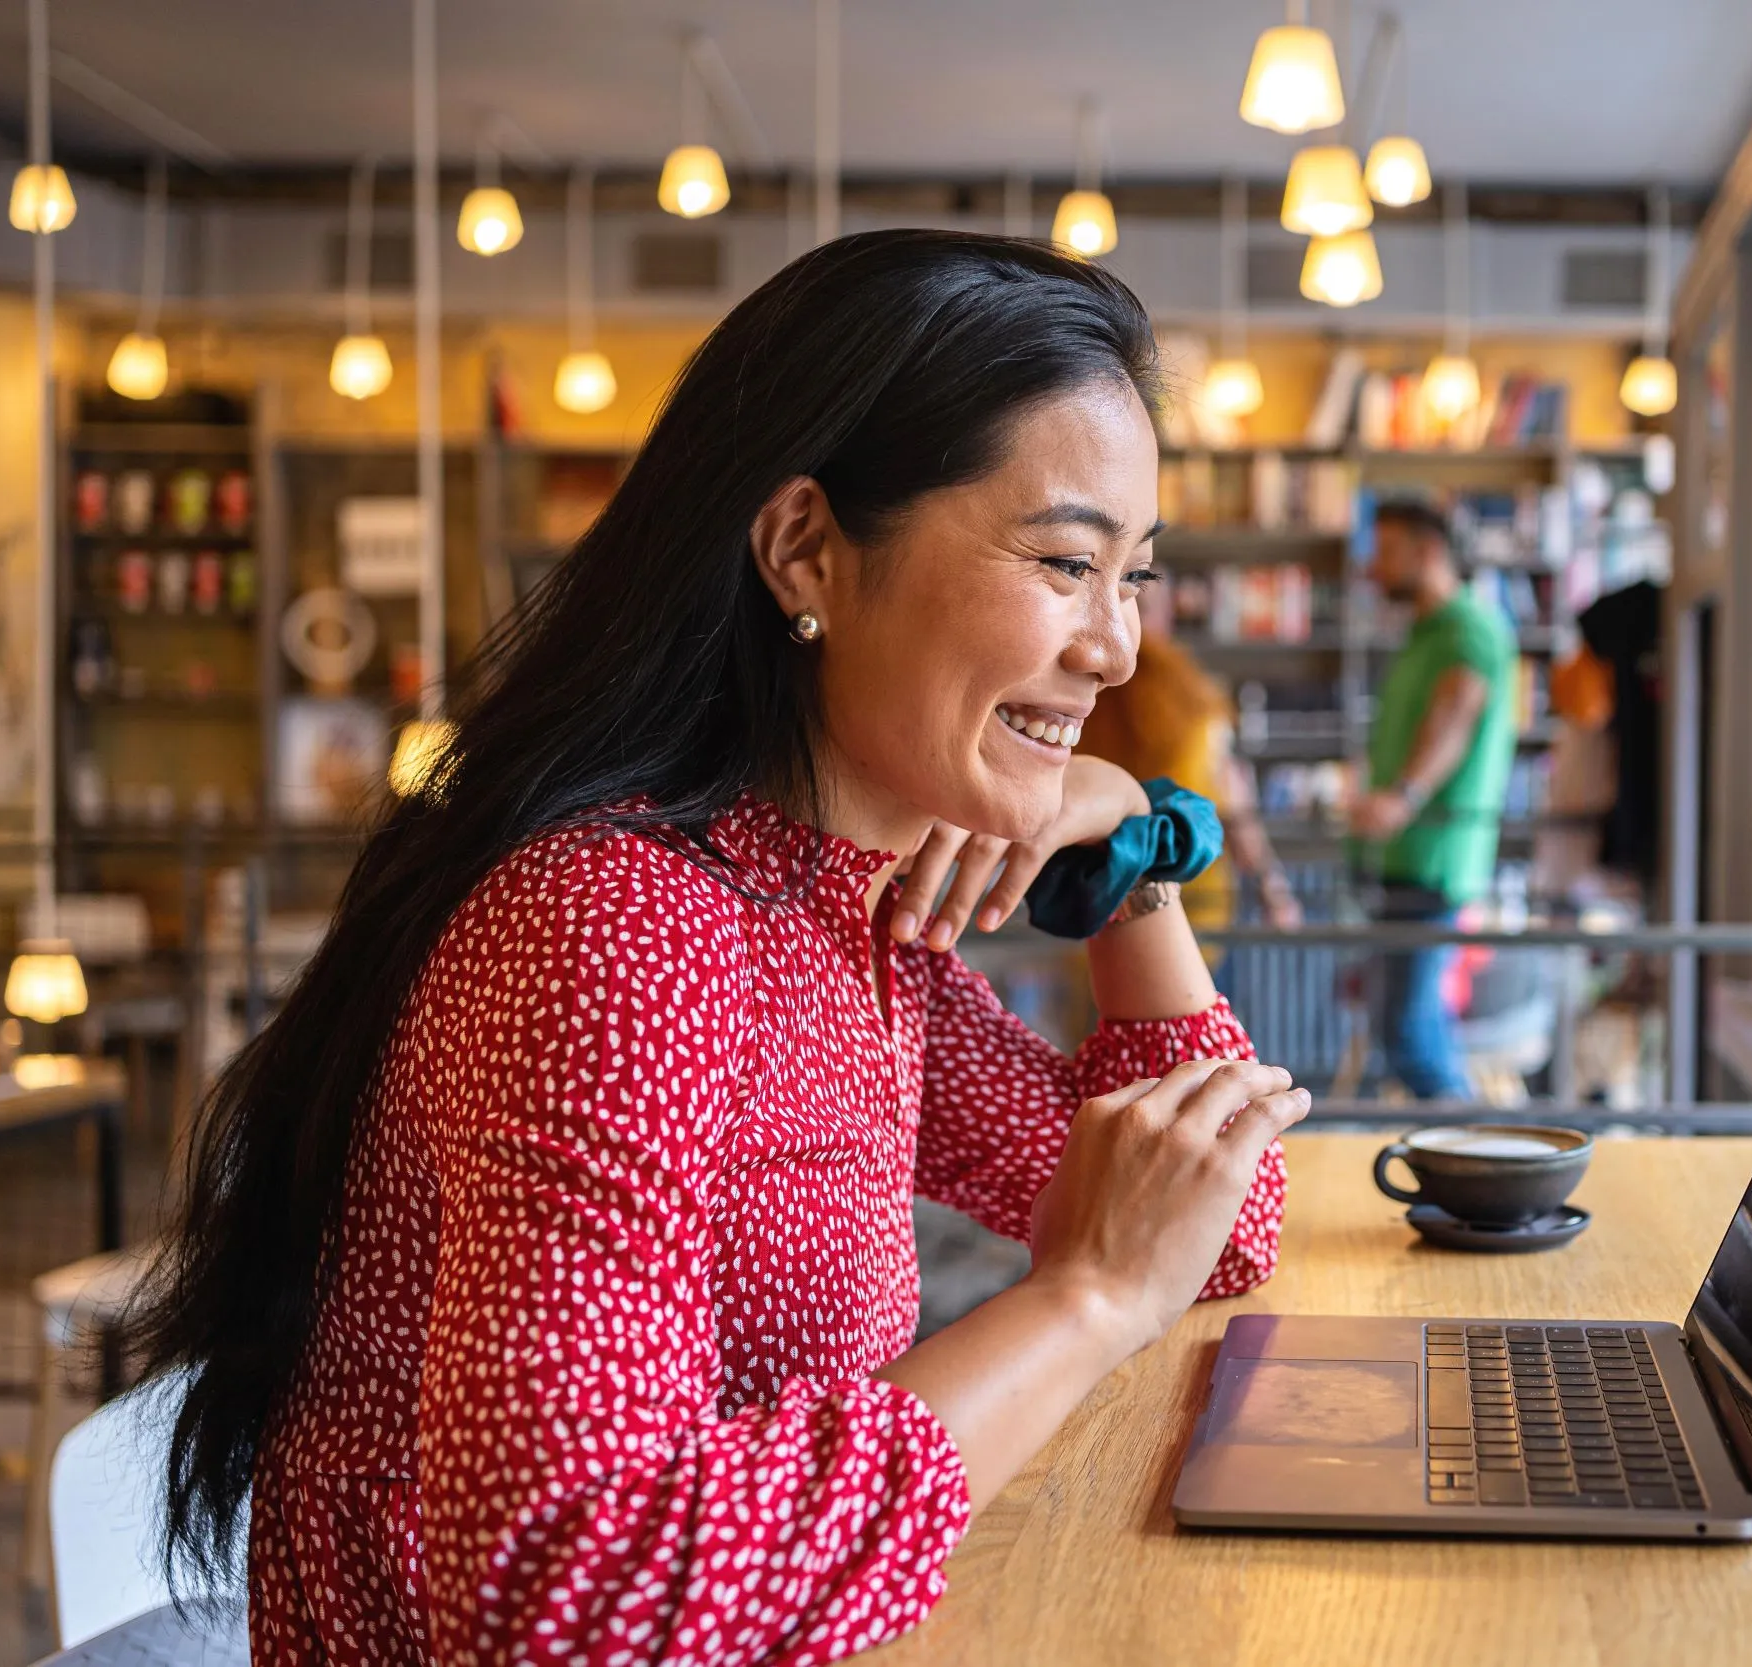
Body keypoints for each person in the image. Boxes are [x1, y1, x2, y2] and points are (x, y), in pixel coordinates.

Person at [127, 231, 1311, 1665]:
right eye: (1066, 560)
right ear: (805, 545)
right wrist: (1083, 1299)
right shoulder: (619, 926)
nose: (1115, 644)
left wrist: (1133, 848)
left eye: (1135, 574)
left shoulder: (839, 911)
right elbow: (569, 1603)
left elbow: (1217, 1218)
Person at [1346, 499, 1518, 1100]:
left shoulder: (1467, 626)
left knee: (1409, 1035)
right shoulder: (1424, 631)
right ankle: (1470, 1160)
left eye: (1386, 552)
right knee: (1411, 1028)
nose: (1373, 567)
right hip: (1408, 858)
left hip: (1434, 860)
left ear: (1429, 552)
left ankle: (1479, 1162)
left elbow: (1458, 708)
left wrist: (1402, 796)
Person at [1077, 580, 1303, 931]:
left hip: (1093, 902)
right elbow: (1235, 806)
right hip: (1187, 904)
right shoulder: (1195, 704)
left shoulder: (1079, 696)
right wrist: (1273, 892)